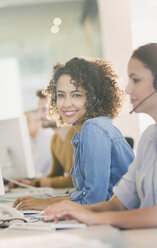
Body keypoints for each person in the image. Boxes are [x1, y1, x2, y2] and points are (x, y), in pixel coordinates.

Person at [44, 43, 157, 228]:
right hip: (152, 237)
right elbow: (116, 205)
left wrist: (95, 218)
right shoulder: (150, 137)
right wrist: (69, 210)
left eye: (136, 80)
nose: (127, 89)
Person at [13, 57, 135, 210]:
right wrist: (41, 202)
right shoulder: (85, 130)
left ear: (93, 98)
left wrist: (44, 204)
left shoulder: (93, 128)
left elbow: (93, 201)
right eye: (61, 95)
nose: (66, 104)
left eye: (76, 95)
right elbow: (84, 194)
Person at [8, 90, 75, 188]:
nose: (39, 116)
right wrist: (31, 183)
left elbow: (80, 179)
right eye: (38, 110)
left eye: (44, 110)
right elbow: (55, 175)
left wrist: (51, 183)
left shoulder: (78, 136)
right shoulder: (55, 140)